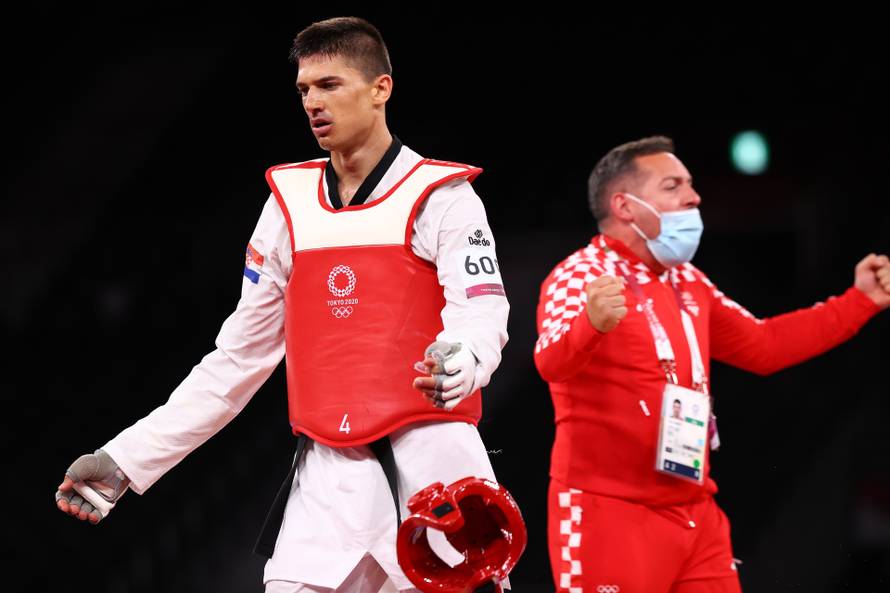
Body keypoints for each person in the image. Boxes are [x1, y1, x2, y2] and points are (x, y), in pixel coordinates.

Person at [56, 17, 513, 593]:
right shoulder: (286, 207)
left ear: (381, 88)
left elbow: (481, 313)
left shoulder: (443, 196)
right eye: (304, 90)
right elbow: (236, 360)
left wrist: (461, 360)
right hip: (325, 476)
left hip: (434, 468)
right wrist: (126, 459)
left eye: (330, 85)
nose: (313, 103)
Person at [534, 136, 890, 593]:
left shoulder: (687, 282)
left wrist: (859, 303)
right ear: (625, 205)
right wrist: (591, 323)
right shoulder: (581, 274)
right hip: (609, 514)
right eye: (672, 185)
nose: (693, 196)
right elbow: (549, 361)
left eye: (690, 184)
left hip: (694, 513)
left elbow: (765, 345)